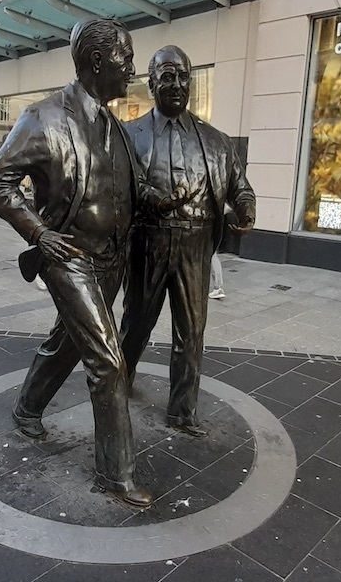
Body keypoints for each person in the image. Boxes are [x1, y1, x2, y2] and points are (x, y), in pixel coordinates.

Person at [0, 17, 186, 507]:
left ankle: (28, 409)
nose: (132, 70)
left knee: (66, 342)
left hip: (111, 257)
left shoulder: (113, 124)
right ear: (98, 62)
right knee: (108, 362)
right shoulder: (43, 117)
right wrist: (38, 233)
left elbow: (129, 186)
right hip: (68, 257)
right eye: (126, 60)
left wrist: (166, 199)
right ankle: (115, 475)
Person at [120, 45, 256, 438]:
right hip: (148, 244)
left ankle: (182, 411)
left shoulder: (216, 141)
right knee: (136, 325)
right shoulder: (129, 137)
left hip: (196, 246)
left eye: (184, 77)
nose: (177, 85)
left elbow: (239, 188)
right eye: (167, 77)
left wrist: (246, 209)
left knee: (191, 332)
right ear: (152, 83)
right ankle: (118, 385)